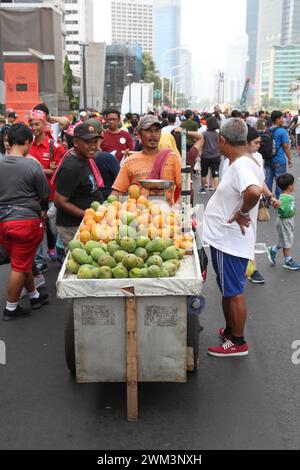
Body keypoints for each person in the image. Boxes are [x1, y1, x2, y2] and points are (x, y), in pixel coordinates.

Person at [203, 118, 264, 357]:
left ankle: (237, 342)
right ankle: (230, 331)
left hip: (230, 240)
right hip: (225, 240)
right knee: (228, 288)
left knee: (234, 291)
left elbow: (254, 191)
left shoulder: (241, 166)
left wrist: (242, 212)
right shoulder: (244, 161)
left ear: (223, 140)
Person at [0, 124, 50, 321]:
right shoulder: (32, 165)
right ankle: (11, 307)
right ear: (28, 142)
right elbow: (44, 193)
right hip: (26, 222)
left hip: (2, 222)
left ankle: (34, 296)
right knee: (20, 266)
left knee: (22, 260)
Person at [54, 122, 104, 250]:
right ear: (75, 142)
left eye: (95, 141)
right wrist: (87, 215)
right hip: (73, 227)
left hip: (85, 224)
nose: (93, 146)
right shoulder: (71, 167)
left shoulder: (84, 159)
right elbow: (59, 202)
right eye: (88, 142)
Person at [111, 115, 181, 206]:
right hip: (139, 216)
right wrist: (107, 209)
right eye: (148, 130)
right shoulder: (130, 162)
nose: (153, 134)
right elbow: (118, 192)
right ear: (139, 133)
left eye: (157, 130)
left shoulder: (173, 158)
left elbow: (185, 189)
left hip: (166, 216)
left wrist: (176, 209)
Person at [267, 174, 300, 271]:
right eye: (293, 184)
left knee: (285, 240)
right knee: (287, 242)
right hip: (284, 222)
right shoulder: (284, 198)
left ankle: (272, 250)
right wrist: (276, 204)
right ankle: (288, 261)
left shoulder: (286, 196)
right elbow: (278, 205)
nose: (294, 185)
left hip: (288, 220)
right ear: (290, 187)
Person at [264, 111, 292, 200]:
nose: (283, 120)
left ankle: (268, 199)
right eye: (282, 118)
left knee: (268, 179)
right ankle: (279, 199)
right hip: (279, 160)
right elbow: (286, 147)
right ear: (277, 119)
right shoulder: (282, 131)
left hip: (268, 159)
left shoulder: (267, 130)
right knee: (280, 181)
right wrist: (290, 159)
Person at [198, 116, 221, 194]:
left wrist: (199, 154)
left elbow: (201, 145)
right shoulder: (218, 134)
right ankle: (217, 190)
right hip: (216, 156)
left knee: (204, 173)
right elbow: (219, 145)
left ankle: (203, 189)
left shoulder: (204, 134)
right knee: (216, 174)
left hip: (205, 156)